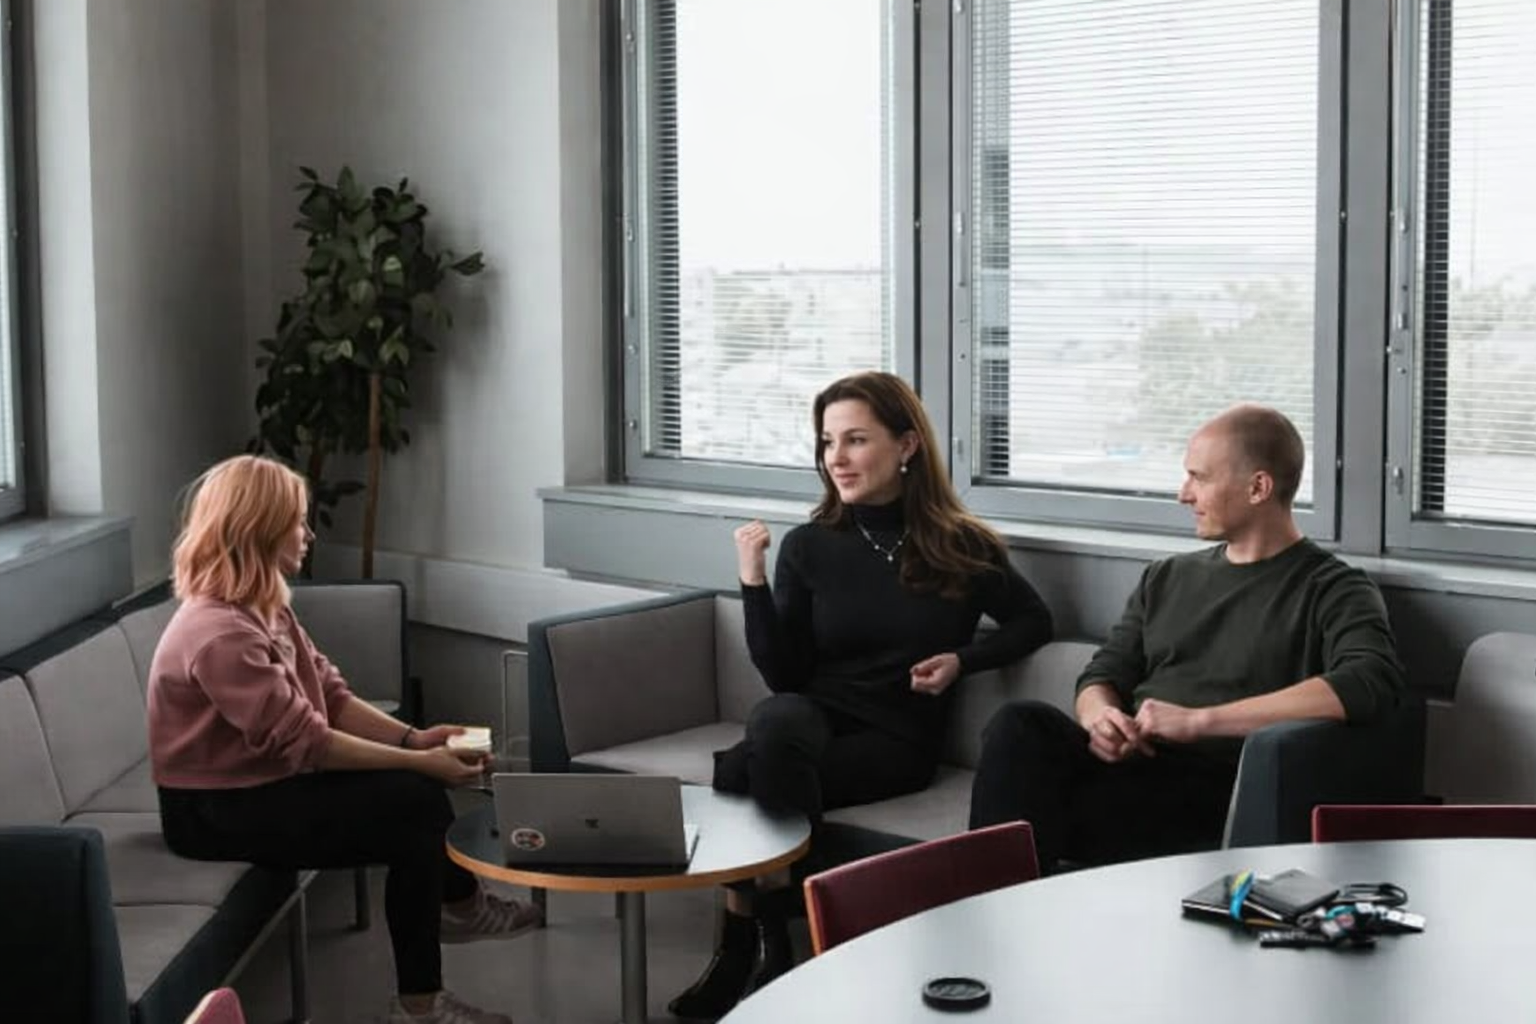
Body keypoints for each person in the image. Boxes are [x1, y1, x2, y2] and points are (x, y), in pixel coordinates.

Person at [669, 371, 1054, 1019]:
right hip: (814, 716)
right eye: (827, 442)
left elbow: (1033, 621)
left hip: (897, 738)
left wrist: (963, 662)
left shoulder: (961, 545)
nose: (836, 459)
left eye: (855, 440)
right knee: (776, 724)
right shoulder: (809, 545)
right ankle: (776, 943)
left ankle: (745, 943)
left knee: (744, 770)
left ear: (906, 445)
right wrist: (752, 581)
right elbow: (784, 676)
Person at [148, 455, 541, 1024]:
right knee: (413, 804)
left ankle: (455, 917)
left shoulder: (262, 606)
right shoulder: (219, 633)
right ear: (260, 529)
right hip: (211, 811)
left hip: (255, 785)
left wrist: (413, 740)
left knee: (415, 797)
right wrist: (420, 763)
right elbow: (309, 742)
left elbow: (329, 695)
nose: (309, 534)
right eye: (297, 522)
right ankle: (426, 990)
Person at [968, 404, 1406, 873]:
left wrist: (1199, 722)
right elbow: (1103, 673)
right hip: (1129, 774)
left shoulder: (1332, 587)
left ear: (1258, 488)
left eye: (1199, 478)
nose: (1183, 494)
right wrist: (1102, 720)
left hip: (1219, 792)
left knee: (1034, 812)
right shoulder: (1166, 576)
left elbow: (1369, 679)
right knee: (1020, 726)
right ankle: (987, 902)